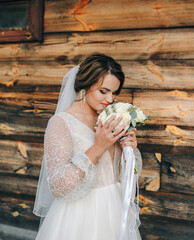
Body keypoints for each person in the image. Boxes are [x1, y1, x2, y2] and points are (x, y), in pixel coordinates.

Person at [33, 53, 142, 240]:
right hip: (79, 215)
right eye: (104, 91)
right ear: (85, 85)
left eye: (114, 93)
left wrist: (128, 151)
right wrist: (98, 147)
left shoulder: (109, 119)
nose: (110, 99)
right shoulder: (61, 123)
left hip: (114, 208)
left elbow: (123, 175)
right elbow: (58, 186)